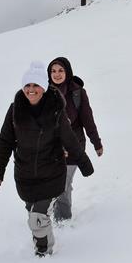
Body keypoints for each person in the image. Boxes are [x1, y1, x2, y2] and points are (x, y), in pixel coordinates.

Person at [0, 61, 94, 257]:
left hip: (52, 173)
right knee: (33, 213)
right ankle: (44, 236)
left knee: (37, 216)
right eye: (27, 85)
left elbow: (70, 139)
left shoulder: (55, 110)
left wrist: (85, 163)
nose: (31, 89)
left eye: (36, 85)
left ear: (44, 88)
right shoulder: (15, 110)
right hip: (25, 175)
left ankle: (43, 252)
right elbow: (5, 142)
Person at [47, 57, 104, 222]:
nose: (57, 74)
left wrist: (96, 143)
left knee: (63, 183)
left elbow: (88, 120)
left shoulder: (77, 92)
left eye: (60, 70)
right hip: (51, 147)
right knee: (50, 182)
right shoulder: (43, 92)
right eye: (53, 71)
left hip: (74, 145)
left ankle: (63, 219)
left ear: (67, 72)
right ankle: (46, 213)